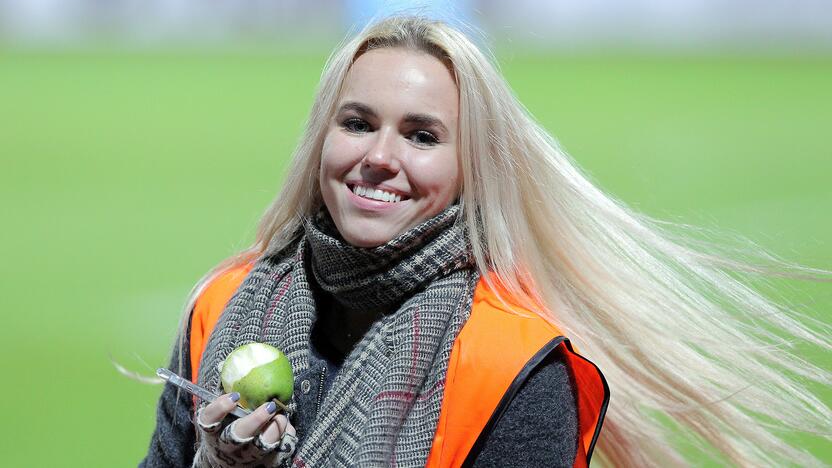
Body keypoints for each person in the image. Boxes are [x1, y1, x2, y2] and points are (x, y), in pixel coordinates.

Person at [140, 15, 830, 468]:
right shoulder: (223, 305)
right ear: (322, 136)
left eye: (422, 136)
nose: (380, 156)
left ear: (474, 166)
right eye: (357, 122)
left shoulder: (514, 365)